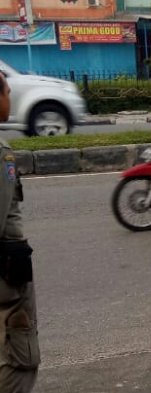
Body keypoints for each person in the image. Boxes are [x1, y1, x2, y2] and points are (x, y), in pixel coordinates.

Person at [0, 72, 40, 393]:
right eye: (7, 92)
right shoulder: (2, 153)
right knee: (19, 354)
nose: (9, 98)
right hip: (6, 273)